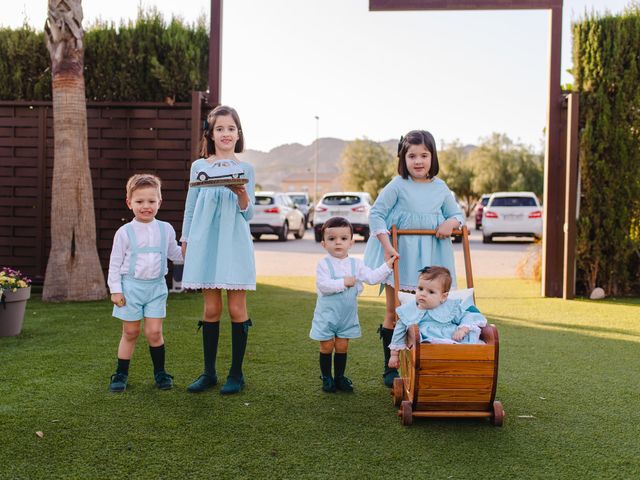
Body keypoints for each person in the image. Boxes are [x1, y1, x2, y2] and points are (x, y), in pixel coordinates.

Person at [362, 130, 465, 387]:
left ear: (433, 157)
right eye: (412, 156)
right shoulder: (397, 185)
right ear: (403, 158)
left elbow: (458, 214)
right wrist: (386, 246)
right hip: (401, 255)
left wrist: (450, 222)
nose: (418, 161)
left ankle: (425, 361)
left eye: (424, 155)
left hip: (430, 258)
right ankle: (392, 365)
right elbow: (376, 214)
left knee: (428, 311)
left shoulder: (440, 188)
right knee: (395, 312)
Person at [181, 105, 256, 395]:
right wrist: (185, 241)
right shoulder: (199, 167)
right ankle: (209, 373)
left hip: (235, 244)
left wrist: (242, 196)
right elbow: (190, 208)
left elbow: (248, 216)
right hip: (205, 244)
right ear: (210, 134)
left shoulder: (245, 169)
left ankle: (236, 374)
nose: (226, 133)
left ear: (239, 134)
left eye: (231, 128)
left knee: (237, 309)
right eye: (220, 129)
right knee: (211, 309)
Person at [107, 174, 183, 393]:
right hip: (130, 288)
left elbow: (174, 253)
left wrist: (189, 248)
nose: (146, 206)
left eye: (151, 201)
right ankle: (120, 374)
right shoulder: (124, 232)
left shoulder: (166, 228)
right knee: (130, 332)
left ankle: (160, 374)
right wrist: (116, 290)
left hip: (157, 288)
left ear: (160, 202)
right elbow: (114, 264)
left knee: (154, 332)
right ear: (129, 203)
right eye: (140, 202)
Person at [310, 217, 396, 393]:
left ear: (351, 242)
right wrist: (344, 282)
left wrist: (387, 266)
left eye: (343, 238)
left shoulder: (356, 264)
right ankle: (327, 377)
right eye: (332, 239)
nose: (338, 243)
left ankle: (340, 377)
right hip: (327, 316)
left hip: (346, 317)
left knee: (342, 345)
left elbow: (372, 278)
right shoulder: (323, 264)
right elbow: (323, 286)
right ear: (324, 244)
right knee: (327, 346)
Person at [388, 266, 487, 369]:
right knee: (427, 348)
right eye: (420, 289)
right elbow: (398, 332)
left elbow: (467, 316)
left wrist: (462, 330)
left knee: (462, 348)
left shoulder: (450, 308)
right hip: (425, 345)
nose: (423, 294)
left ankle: (458, 368)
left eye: (431, 292)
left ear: (443, 297)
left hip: (452, 339)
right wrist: (394, 355)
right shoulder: (409, 310)